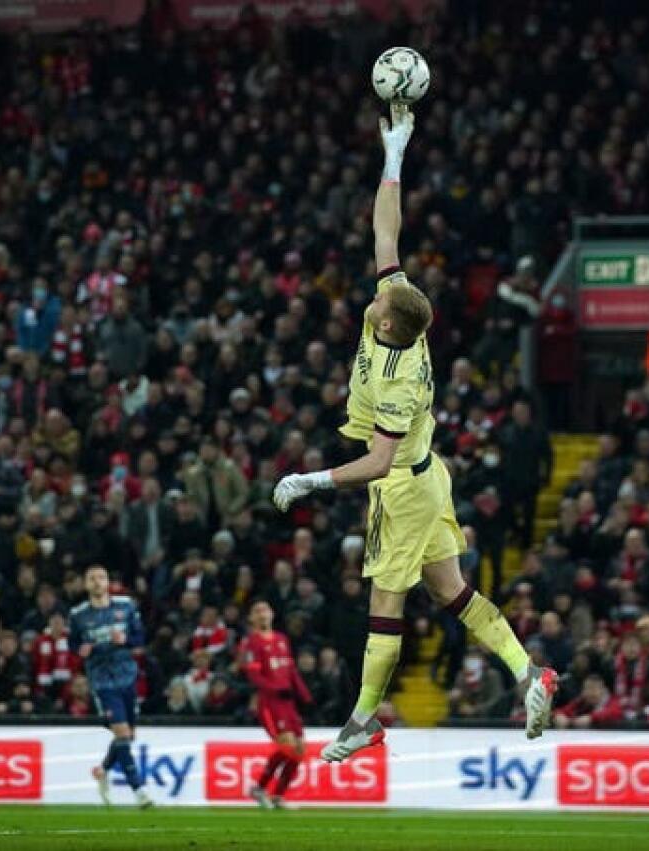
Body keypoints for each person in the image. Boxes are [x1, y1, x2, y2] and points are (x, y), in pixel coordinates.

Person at [273, 103, 557, 762]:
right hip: (429, 477)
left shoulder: (399, 377)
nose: (371, 295)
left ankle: (363, 718)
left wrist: (310, 480)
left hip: (401, 485)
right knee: (451, 590)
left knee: (385, 603)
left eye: (377, 300)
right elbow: (385, 235)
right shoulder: (400, 312)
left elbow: (375, 462)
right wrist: (394, 154)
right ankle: (527, 673)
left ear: (389, 326)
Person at [69, 564, 153, 809]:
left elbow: (140, 638)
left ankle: (103, 770)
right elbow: (73, 643)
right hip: (102, 681)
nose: (96, 582)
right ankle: (139, 790)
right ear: (86, 585)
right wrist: (79, 650)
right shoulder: (78, 614)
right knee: (122, 733)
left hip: (127, 675)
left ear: (108, 582)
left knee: (128, 736)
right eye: (91, 578)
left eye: (101, 577)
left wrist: (126, 640)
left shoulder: (125, 606)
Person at [238, 599, 313, 808]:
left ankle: (278, 796)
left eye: (265, 609)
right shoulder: (251, 642)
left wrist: (304, 693)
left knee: (299, 751)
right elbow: (254, 676)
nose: (262, 613)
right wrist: (274, 688)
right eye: (257, 611)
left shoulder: (282, 639)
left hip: (288, 704)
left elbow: (290, 670)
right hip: (270, 703)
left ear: (272, 614)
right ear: (252, 618)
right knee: (288, 747)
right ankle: (259, 788)